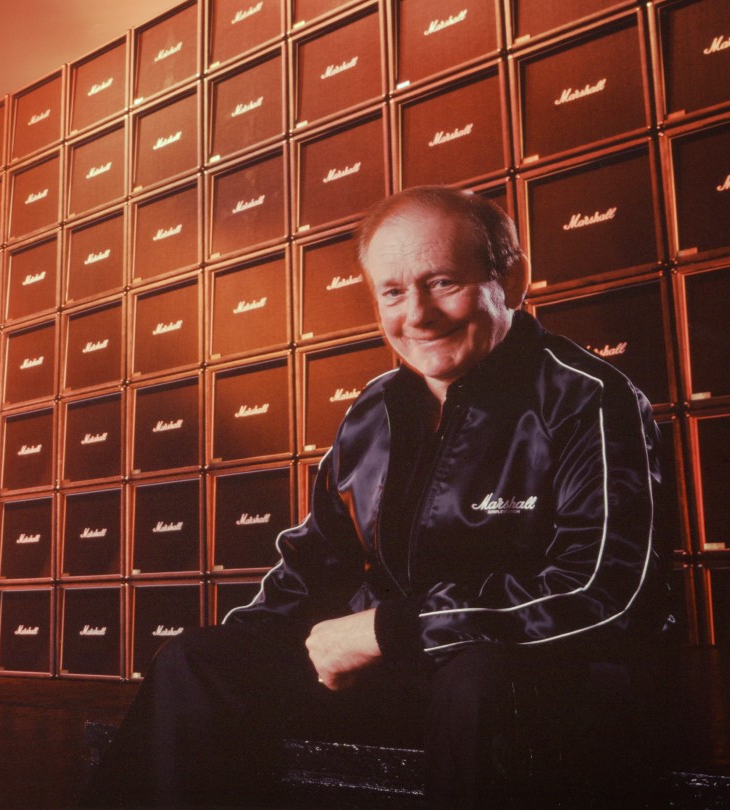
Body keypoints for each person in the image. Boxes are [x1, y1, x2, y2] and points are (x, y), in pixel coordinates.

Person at [83, 186, 674, 808]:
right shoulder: (373, 410)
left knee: (479, 676)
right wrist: (252, 646)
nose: (416, 315)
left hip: (533, 686)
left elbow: (604, 593)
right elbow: (314, 563)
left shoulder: (590, 398)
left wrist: (392, 630)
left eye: (442, 282)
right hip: (398, 673)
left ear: (512, 280)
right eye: (393, 292)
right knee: (198, 659)